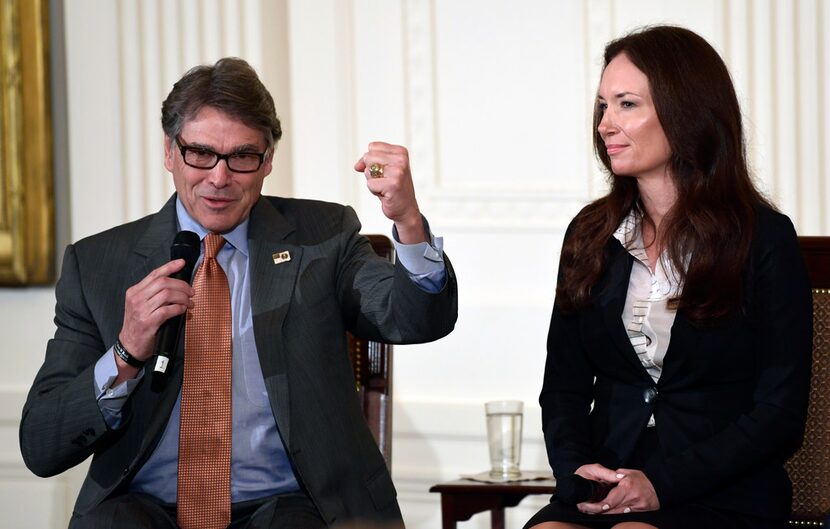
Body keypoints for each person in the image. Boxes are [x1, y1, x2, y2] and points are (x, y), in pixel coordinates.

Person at [20, 57, 457, 529]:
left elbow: (415, 318)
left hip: (291, 506)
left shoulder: (322, 238)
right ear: (169, 151)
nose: (219, 178)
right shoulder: (98, 265)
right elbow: (43, 446)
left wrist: (408, 221)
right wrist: (125, 353)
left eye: (242, 157)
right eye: (200, 153)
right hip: (145, 510)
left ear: (268, 160)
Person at [525, 25, 812, 529]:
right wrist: (577, 473)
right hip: (609, 484)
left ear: (686, 111)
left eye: (626, 104)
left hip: (721, 490)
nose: (605, 125)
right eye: (602, 107)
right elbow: (563, 388)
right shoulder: (589, 234)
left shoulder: (764, 238)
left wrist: (662, 485)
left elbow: (780, 413)